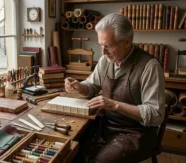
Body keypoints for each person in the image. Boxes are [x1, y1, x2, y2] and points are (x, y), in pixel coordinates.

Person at [66, 13, 165, 163]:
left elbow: (155, 114)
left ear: (127, 41)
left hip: (136, 132)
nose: (103, 52)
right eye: (101, 45)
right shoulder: (105, 61)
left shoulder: (149, 66)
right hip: (105, 125)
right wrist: (79, 86)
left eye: (109, 46)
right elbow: (92, 86)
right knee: (72, 148)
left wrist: (115, 105)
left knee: (100, 161)